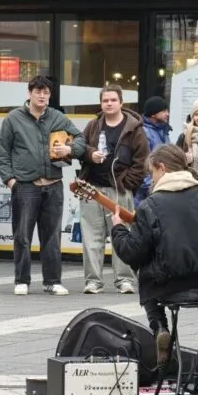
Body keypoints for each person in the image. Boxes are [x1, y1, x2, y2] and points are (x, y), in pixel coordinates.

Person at [110, 144, 198, 388]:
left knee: (145, 270)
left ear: (162, 168)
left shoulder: (151, 204)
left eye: (152, 173)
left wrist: (118, 228)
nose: (152, 179)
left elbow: (131, 252)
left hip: (171, 289)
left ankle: (160, 325)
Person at [0, 75, 85, 296]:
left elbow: (80, 139)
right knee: (22, 236)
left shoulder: (57, 117)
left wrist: (70, 149)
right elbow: (2, 153)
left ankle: (52, 281)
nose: (42, 96)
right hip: (25, 185)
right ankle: (22, 280)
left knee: (52, 236)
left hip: (53, 185)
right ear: (30, 93)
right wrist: (11, 181)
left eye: (46, 92)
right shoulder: (13, 118)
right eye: (38, 92)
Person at [78, 83, 148, 295]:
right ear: (101, 103)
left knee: (123, 235)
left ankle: (125, 280)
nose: (109, 104)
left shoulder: (134, 128)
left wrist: (127, 183)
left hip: (119, 191)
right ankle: (93, 281)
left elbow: (142, 162)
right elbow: (80, 149)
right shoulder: (93, 125)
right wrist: (90, 154)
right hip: (92, 189)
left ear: (121, 102)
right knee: (91, 237)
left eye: (113, 100)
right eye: (105, 100)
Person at [134, 96, 172, 207]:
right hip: (148, 193)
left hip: (162, 187)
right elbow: (143, 164)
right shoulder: (144, 133)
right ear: (153, 114)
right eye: (164, 111)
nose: (167, 114)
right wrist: (153, 186)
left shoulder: (163, 130)